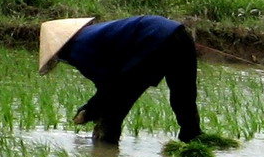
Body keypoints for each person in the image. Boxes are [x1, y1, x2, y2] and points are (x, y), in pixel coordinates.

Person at [38, 15, 203, 144]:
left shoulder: (78, 49)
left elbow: (109, 86)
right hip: (179, 33)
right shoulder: (91, 35)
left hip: (152, 41)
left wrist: (89, 110)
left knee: (114, 108)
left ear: (59, 50)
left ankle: (105, 151)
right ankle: (193, 140)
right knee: (184, 95)